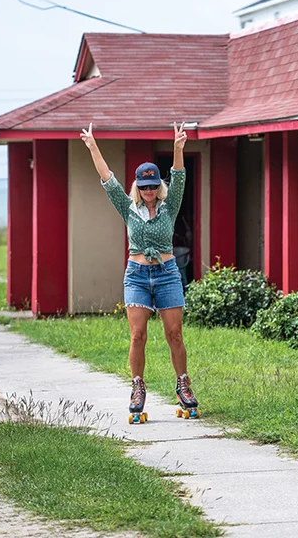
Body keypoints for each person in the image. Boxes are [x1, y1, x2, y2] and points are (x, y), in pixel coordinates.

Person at [80, 121, 199, 424]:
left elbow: (179, 175)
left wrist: (177, 147)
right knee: (137, 335)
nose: (148, 191)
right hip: (136, 275)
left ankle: (183, 384)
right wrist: (93, 145)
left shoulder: (170, 206)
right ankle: (137, 388)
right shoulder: (128, 207)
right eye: (143, 187)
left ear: (159, 186)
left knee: (174, 334)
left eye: (153, 186)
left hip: (167, 273)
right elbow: (107, 179)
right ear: (137, 186)